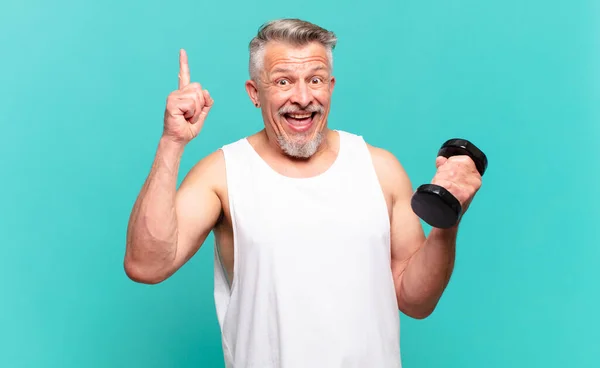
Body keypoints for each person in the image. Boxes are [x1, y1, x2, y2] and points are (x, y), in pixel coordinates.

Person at [124, 18, 483, 368]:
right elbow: (146, 265)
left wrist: (448, 219)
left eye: (315, 80)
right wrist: (172, 142)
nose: (302, 97)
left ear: (331, 85)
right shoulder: (222, 174)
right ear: (254, 93)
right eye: (283, 81)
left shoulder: (380, 168)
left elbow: (415, 301)